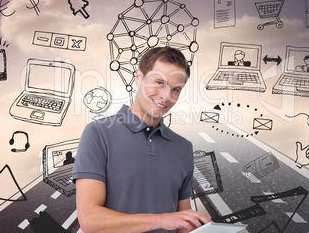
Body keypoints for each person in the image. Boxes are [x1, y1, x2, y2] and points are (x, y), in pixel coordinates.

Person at [72, 46, 212, 232]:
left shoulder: (183, 148)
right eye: (159, 83)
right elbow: (90, 221)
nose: (166, 97)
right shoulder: (97, 133)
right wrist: (162, 221)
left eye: (176, 89)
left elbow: (182, 225)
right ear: (138, 76)